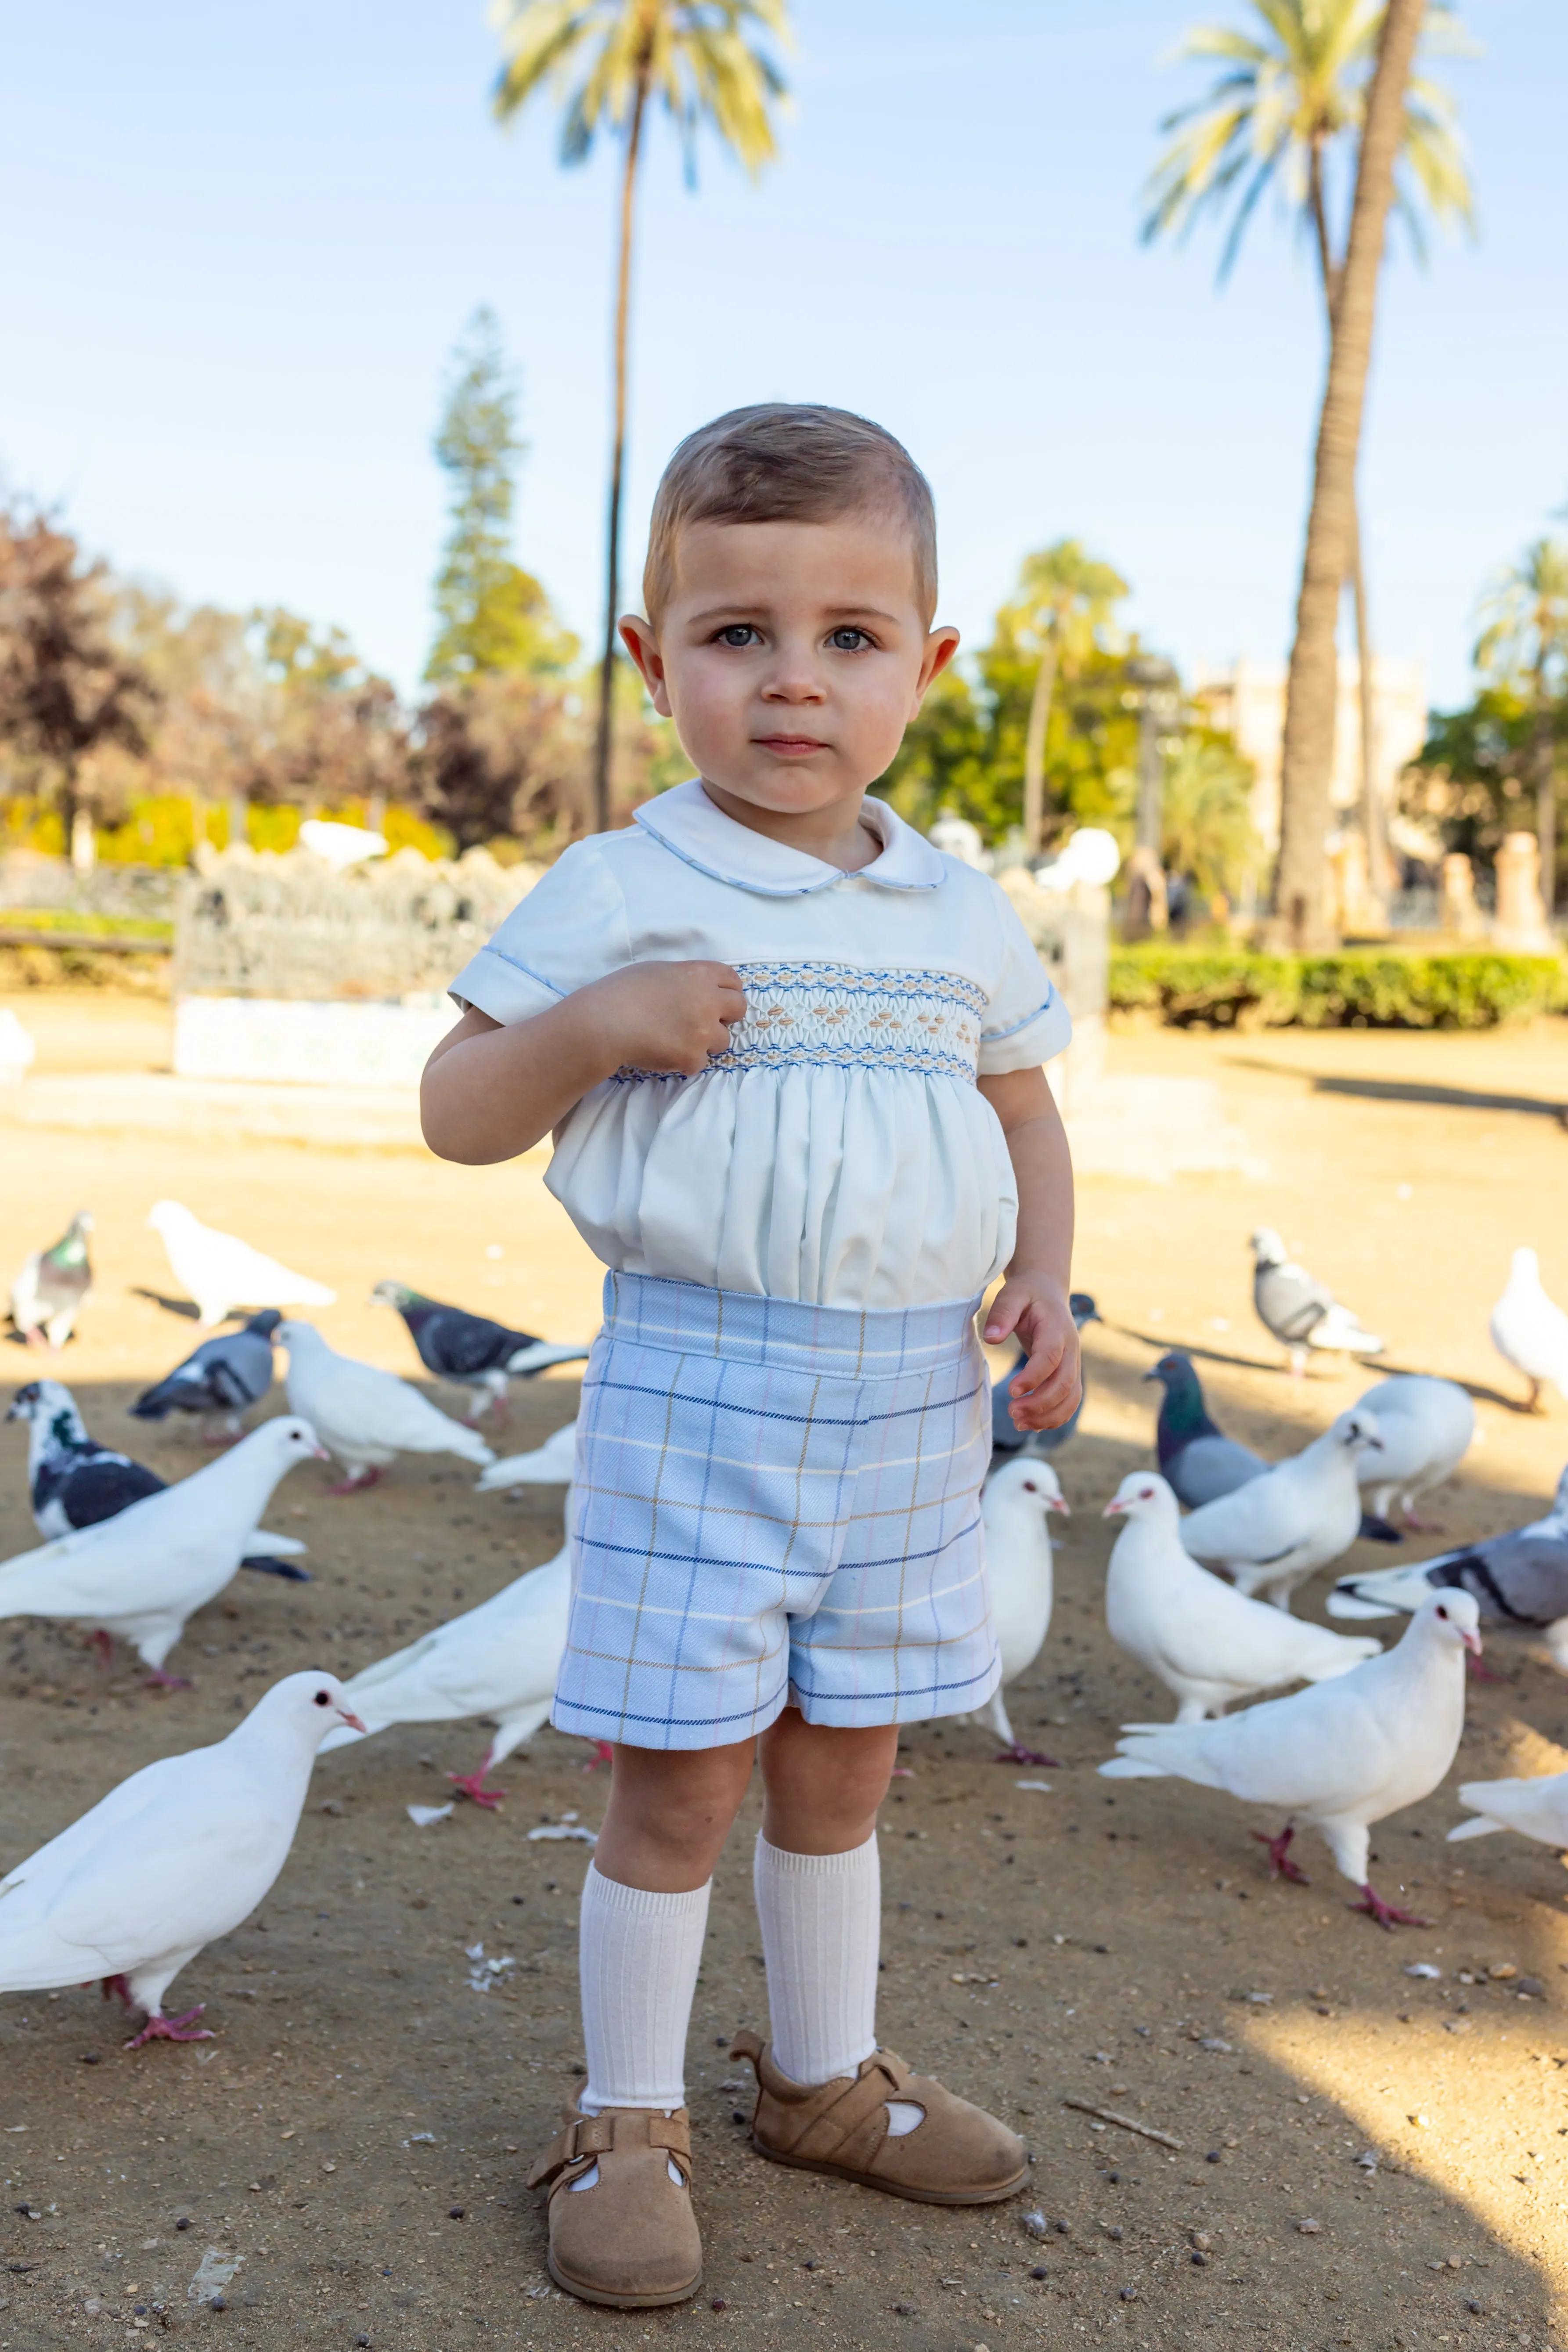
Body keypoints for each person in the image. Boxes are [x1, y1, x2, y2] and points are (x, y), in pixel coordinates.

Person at [420, 402, 1081, 2311]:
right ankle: (628, 2115)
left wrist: (1043, 1281)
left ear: (926, 664)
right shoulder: (624, 887)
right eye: (736, 635)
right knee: (681, 1771)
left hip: (907, 1397)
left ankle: (815, 2078)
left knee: (846, 1759)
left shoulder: (955, 905)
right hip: (697, 1382)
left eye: (849, 637)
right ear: (653, 661)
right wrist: (594, 1025)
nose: (794, 681)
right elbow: (460, 1106)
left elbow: (1024, 1107)